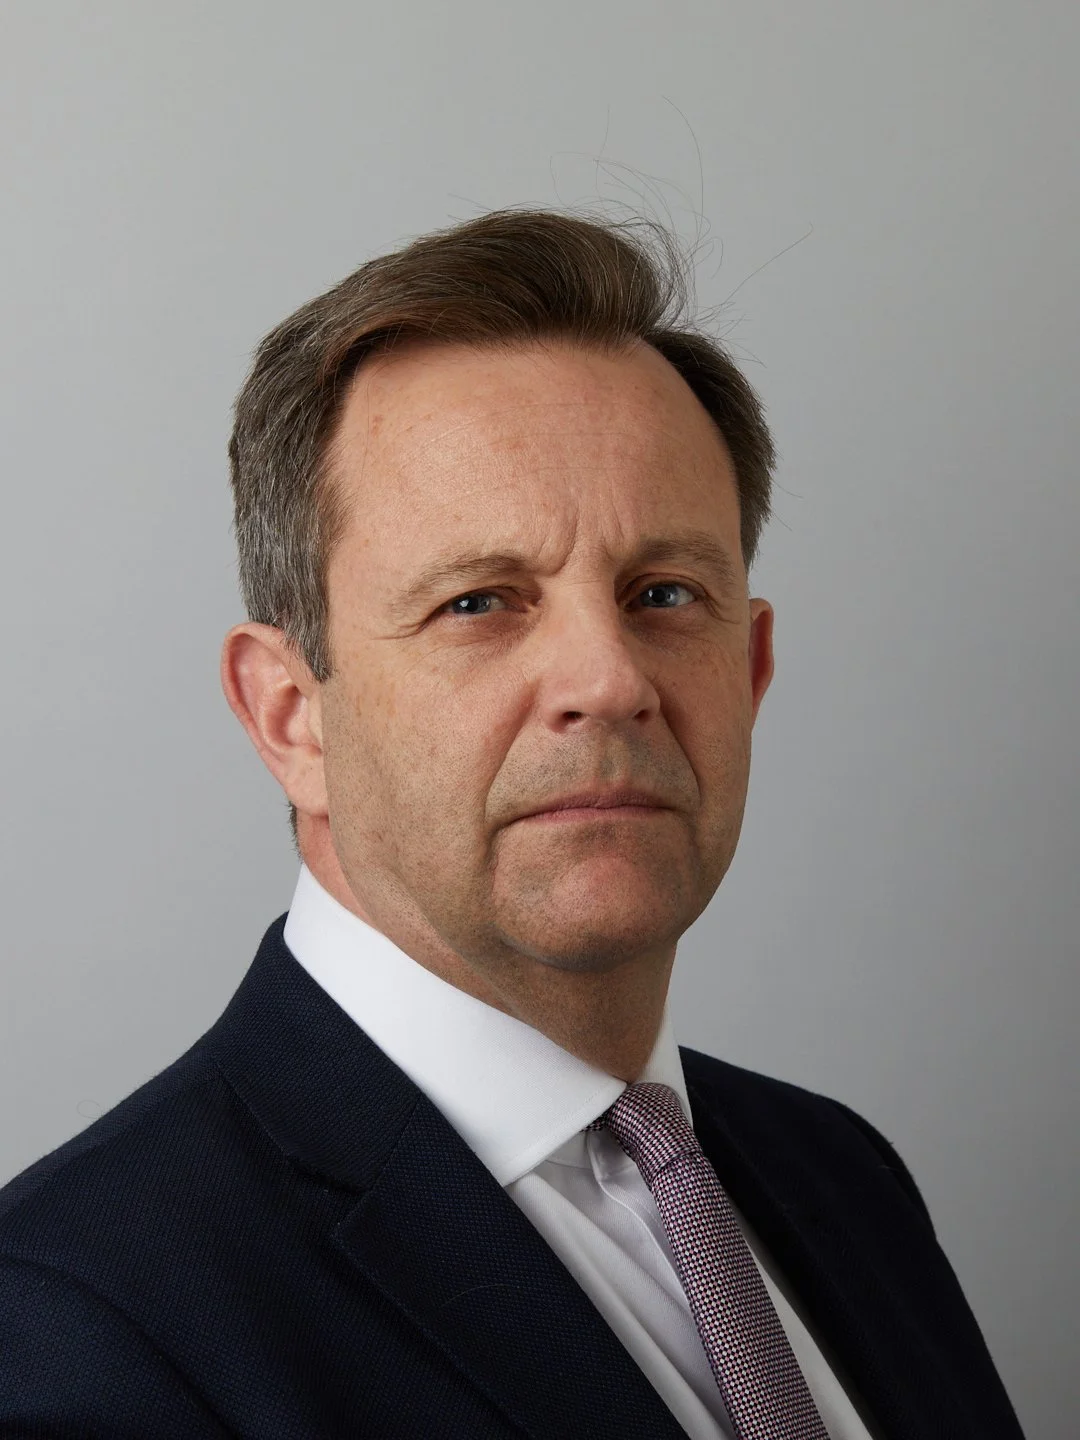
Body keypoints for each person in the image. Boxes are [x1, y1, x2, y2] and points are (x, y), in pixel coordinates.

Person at [0, 209, 1025, 1440]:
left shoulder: (836, 1177)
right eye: (479, 602)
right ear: (290, 718)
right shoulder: (75, 1327)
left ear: (749, 672)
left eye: (664, 594)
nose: (609, 677)